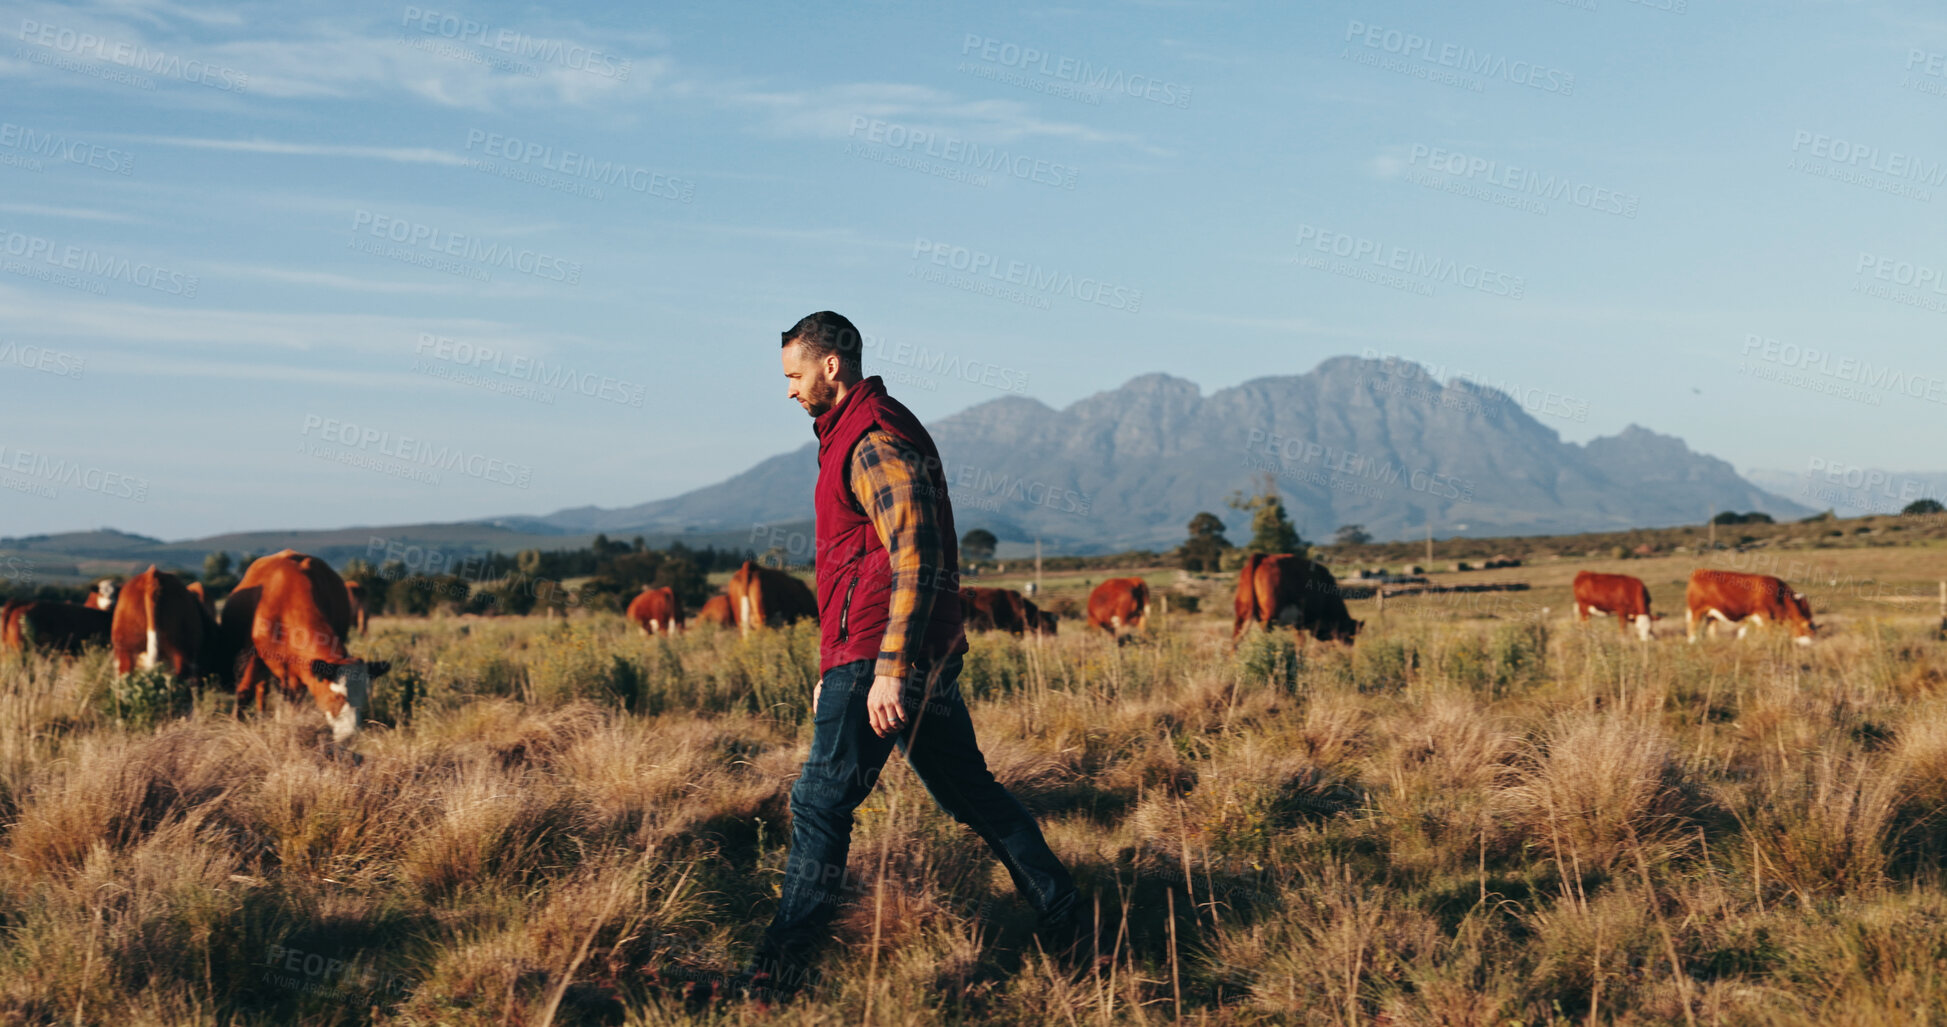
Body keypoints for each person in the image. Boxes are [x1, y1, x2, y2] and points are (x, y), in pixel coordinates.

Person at [745, 311, 1079, 999]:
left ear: (830, 366)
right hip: (873, 653)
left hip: (883, 653)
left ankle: (779, 973)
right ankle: (1070, 920)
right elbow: (855, 563)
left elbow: (917, 555)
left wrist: (888, 667)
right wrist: (829, 669)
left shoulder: (871, 439)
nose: (787, 390)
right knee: (971, 794)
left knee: (818, 803)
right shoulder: (853, 434)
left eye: (793, 374)